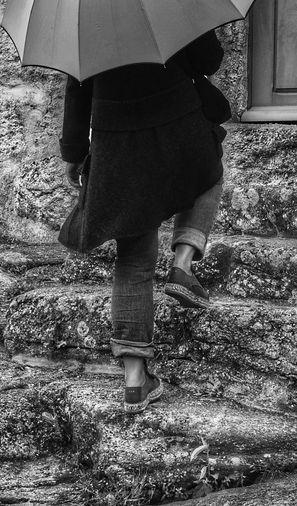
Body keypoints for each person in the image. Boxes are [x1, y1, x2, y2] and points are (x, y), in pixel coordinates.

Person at [58, 29, 227, 414]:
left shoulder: (87, 13)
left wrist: (75, 151)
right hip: (177, 119)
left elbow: (77, 88)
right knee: (208, 173)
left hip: (117, 139)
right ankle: (183, 264)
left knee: (133, 257)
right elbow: (208, 60)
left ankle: (135, 380)